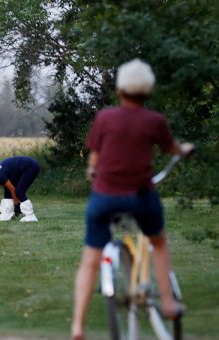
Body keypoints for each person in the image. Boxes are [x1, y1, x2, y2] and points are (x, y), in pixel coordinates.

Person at [71, 59, 193, 340]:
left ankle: (78, 325)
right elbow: (172, 148)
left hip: (104, 197)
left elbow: (95, 157)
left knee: (90, 260)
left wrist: (93, 169)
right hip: (140, 197)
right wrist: (184, 150)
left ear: (120, 90)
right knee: (159, 240)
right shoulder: (154, 121)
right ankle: (168, 301)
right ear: (147, 91)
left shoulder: (104, 118)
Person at [0, 156, 40, 222]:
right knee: (8, 191)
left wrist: (16, 205)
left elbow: (13, 189)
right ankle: (7, 214)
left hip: (31, 166)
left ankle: (30, 216)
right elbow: (8, 189)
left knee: (19, 191)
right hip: (25, 167)